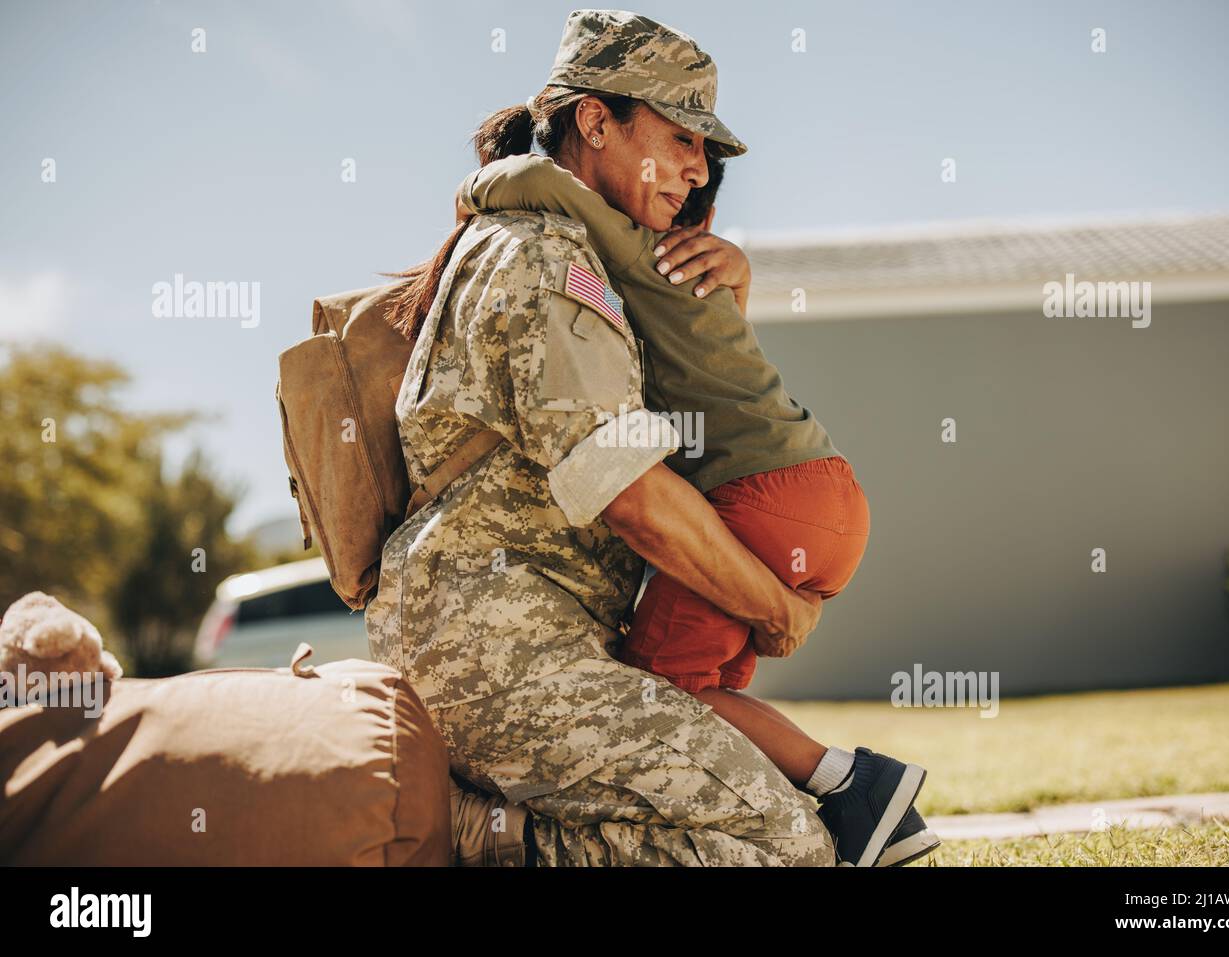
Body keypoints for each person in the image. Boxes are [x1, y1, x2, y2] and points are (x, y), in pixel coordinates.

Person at [367, 9, 909, 866]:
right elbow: (635, 496)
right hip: (501, 653)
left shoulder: (582, 252)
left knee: (788, 821)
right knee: (784, 843)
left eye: (708, 151)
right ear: (595, 122)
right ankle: (471, 834)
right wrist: (778, 607)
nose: (698, 170)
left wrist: (732, 298)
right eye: (683, 135)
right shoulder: (546, 260)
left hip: (545, 640)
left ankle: (486, 823)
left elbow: (705, 413)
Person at [453, 138, 938, 868]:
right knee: (707, 693)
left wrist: (475, 189)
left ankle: (860, 786)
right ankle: (842, 809)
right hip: (830, 495)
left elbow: (542, 182)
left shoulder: (644, 259)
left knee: (663, 697)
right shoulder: (706, 283)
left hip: (763, 496)